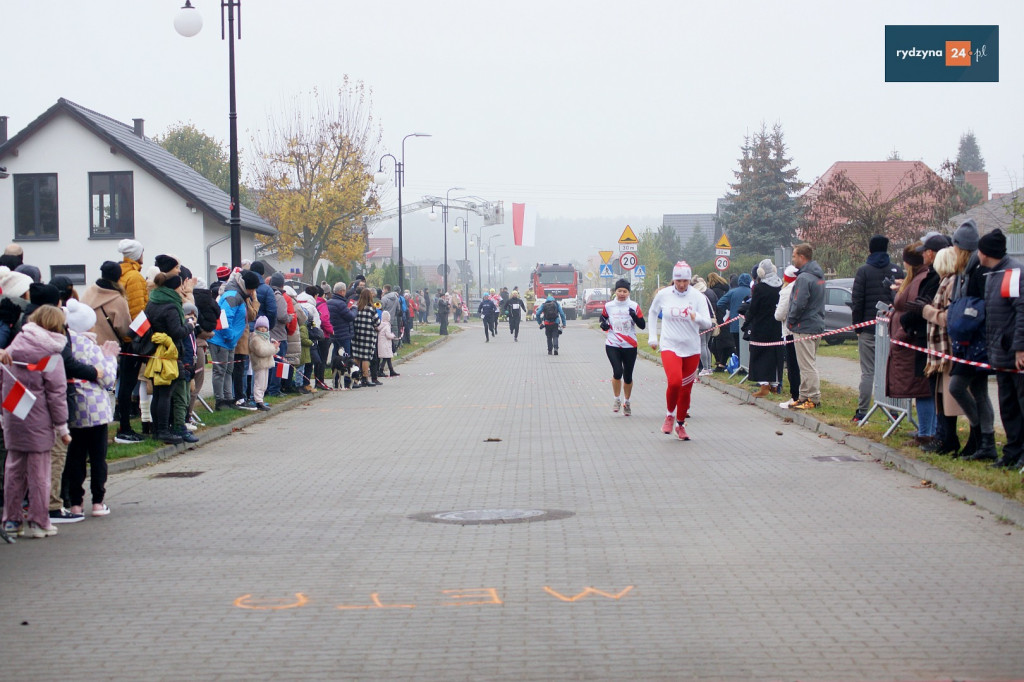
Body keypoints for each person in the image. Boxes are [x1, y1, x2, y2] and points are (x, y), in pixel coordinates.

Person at [1, 305, 71, 539]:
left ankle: (11, 520)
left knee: (13, 470)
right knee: (40, 473)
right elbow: (56, 394)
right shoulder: (50, 353)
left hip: (14, 416)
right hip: (39, 419)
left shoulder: (15, 345)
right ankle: (39, 521)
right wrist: (62, 427)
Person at [946, 221, 997, 461]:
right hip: (967, 342)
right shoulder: (964, 272)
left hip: (976, 343)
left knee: (957, 386)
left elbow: (981, 308)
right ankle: (983, 442)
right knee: (978, 390)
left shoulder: (978, 272)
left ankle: (981, 435)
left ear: (961, 247)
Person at [63, 299, 119, 518]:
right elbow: (107, 379)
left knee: (75, 458)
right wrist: (110, 359)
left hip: (73, 408)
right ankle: (98, 502)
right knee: (97, 458)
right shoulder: (90, 348)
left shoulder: (66, 345)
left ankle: (75, 503)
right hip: (95, 410)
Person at [648, 261, 713, 440]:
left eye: (685, 281)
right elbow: (653, 313)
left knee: (686, 389)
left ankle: (681, 424)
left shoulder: (698, 297)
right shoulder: (664, 295)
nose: (682, 285)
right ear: (673, 280)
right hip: (670, 345)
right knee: (675, 382)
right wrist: (652, 336)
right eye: (678, 281)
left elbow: (708, 322)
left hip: (691, 348)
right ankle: (669, 415)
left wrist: (696, 317)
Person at [975, 229, 1024, 469]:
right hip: (999, 353)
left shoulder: (1012, 273)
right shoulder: (992, 274)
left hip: (1013, 354)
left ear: (985, 252)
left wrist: (1019, 348)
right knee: (1008, 406)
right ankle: (1012, 452)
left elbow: (1021, 313)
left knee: (1020, 404)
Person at [885, 242, 937, 446]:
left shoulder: (919, 280)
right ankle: (927, 430)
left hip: (910, 342)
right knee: (921, 387)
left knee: (922, 388)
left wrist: (901, 334)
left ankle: (926, 432)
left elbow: (915, 309)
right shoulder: (916, 279)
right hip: (907, 341)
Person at [850, 235, 904, 422]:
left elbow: (857, 300)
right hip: (892, 328)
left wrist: (857, 326)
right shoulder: (898, 270)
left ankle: (862, 411)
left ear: (870, 250)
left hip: (868, 328)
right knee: (890, 369)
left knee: (868, 371)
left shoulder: (863, 271)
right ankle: (894, 411)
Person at [921, 246, 966, 454]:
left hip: (947, 348)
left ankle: (948, 438)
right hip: (939, 350)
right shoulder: (944, 282)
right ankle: (944, 438)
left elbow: (948, 317)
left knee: (947, 397)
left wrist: (926, 311)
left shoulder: (951, 284)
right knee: (939, 395)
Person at [143, 268, 191, 444]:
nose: (182, 290)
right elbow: (176, 331)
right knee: (165, 393)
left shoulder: (153, 300)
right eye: (180, 287)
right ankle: (163, 430)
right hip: (168, 353)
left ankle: (157, 429)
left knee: (158, 393)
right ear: (174, 288)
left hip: (155, 351)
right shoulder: (170, 306)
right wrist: (190, 326)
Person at [209, 269, 260, 410]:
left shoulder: (239, 295)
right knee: (220, 370)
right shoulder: (232, 296)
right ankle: (220, 401)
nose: (253, 292)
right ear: (247, 287)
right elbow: (225, 318)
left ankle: (228, 398)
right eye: (252, 289)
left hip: (230, 341)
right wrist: (230, 336)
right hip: (222, 340)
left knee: (228, 371)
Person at [114, 239, 148, 444]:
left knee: (125, 384)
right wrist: (142, 335)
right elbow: (138, 309)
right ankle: (124, 427)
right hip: (132, 338)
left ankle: (124, 423)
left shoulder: (121, 273)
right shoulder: (134, 276)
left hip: (123, 336)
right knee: (128, 384)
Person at [786, 243, 826, 410]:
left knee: (807, 365)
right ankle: (803, 396)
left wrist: (791, 320)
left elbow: (799, 302)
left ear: (802, 257)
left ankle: (813, 397)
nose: (792, 259)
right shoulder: (818, 276)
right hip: (816, 323)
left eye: (794, 256)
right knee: (806, 363)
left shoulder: (803, 278)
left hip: (804, 326)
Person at [600, 278, 645, 416]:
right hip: (613, 344)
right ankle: (616, 399)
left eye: (625, 291)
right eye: (619, 291)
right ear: (615, 291)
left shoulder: (634, 306)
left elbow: (642, 325)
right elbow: (602, 318)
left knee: (628, 376)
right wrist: (603, 325)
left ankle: (627, 402)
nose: (622, 294)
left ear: (629, 293)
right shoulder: (609, 306)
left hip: (630, 345)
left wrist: (635, 317)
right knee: (617, 371)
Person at [743, 259, 783, 398]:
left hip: (761, 328)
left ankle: (764, 384)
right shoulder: (781, 286)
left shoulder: (760, 288)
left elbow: (753, 309)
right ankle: (774, 385)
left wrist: (746, 323)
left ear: (761, 272)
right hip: (777, 327)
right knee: (774, 356)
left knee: (759, 356)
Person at [774, 265, 802, 408]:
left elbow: (779, 315)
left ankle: (795, 395)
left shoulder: (786, 291)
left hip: (790, 332)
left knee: (792, 365)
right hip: (803, 331)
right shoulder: (802, 287)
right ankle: (804, 394)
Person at [351, 288, 380, 388]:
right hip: (368, 335)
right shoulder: (371, 309)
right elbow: (377, 322)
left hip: (356, 334)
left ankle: (356, 378)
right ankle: (365, 378)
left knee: (357, 357)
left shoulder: (356, 307)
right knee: (366, 357)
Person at [717, 272, 752, 356]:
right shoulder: (752, 292)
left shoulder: (732, 292)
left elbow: (719, 304)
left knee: (738, 348)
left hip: (735, 325)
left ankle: (740, 365)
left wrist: (730, 307)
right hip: (750, 325)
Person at [247, 316, 277, 411]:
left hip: (266, 363)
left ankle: (261, 399)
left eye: (265, 327)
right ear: (257, 327)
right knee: (259, 383)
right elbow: (261, 351)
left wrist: (275, 347)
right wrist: (273, 348)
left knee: (264, 383)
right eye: (261, 327)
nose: (263, 329)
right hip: (259, 363)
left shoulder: (266, 337)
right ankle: (258, 401)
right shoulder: (255, 338)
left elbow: (269, 350)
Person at [378, 310, 399, 377]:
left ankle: (391, 370)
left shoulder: (381, 324)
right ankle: (381, 370)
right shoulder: (387, 325)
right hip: (386, 344)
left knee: (388, 357)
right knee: (385, 358)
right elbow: (388, 335)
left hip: (382, 343)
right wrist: (393, 336)